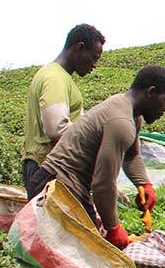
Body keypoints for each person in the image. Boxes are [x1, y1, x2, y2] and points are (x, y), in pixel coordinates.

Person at [26, 65, 165, 249]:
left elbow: (132, 156)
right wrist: (113, 227)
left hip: (69, 186)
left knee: (92, 248)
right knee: (85, 253)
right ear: (151, 92)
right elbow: (103, 182)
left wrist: (144, 184)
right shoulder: (121, 122)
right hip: (55, 187)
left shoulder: (130, 112)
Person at [22, 24, 106, 196]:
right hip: (48, 167)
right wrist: (95, 137)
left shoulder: (53, 74)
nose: (95, 65)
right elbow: (56, 128)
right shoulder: (55, 78)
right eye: (94, 57)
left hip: (43, 165)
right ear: (79, 48)